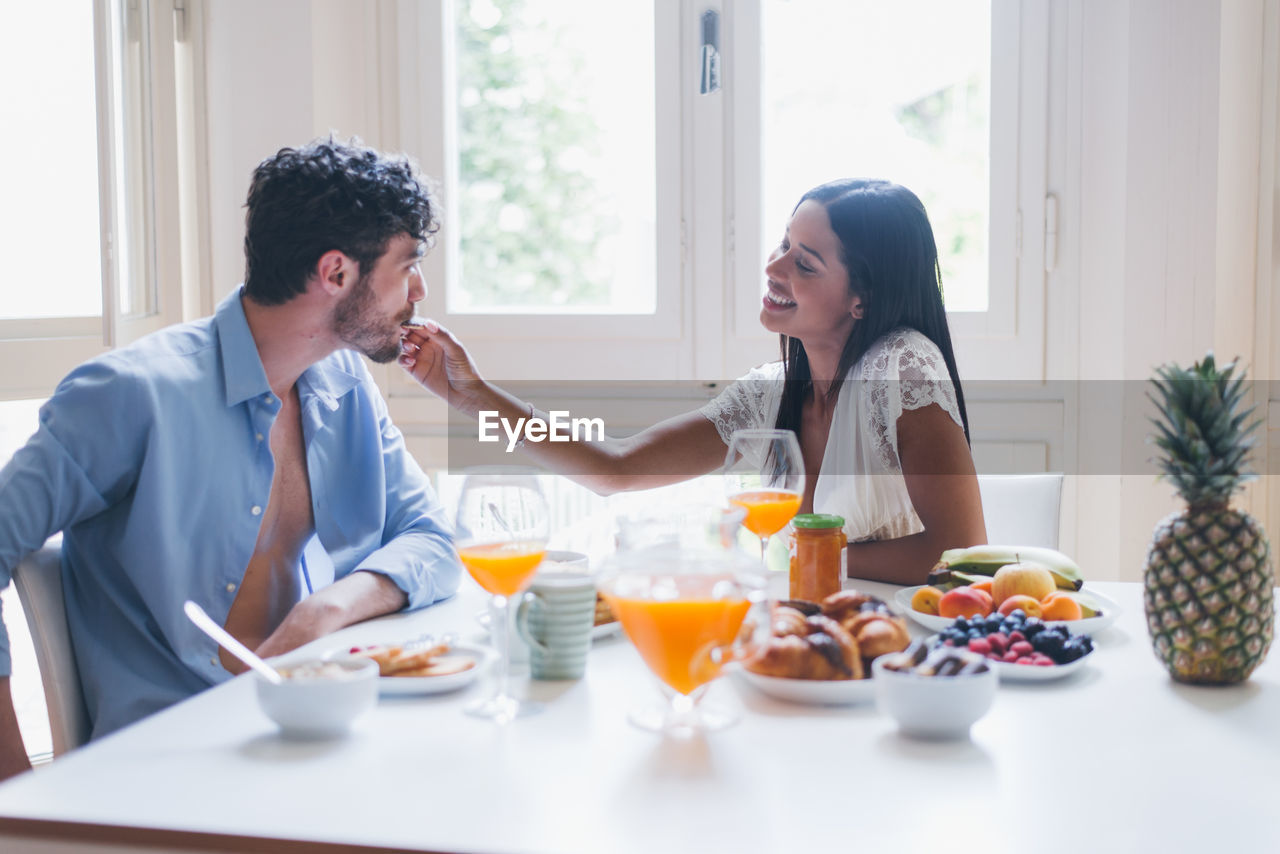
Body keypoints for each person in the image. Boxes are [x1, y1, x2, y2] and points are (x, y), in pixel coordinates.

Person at [0, 138, 461, 781]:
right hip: (173, 769)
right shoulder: (132, 396)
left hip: (314, 739)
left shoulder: (346, 387)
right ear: (335, 273)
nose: (420, 288)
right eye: (407, 264)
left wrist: (325, 610)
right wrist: (12, 781)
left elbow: (435, 540)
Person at [400, 178, 985, 581]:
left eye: (804, 263)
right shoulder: (772, 393)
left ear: (863, 298)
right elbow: (619, 469)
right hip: (804, 627)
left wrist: (797, 557)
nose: (774, 267)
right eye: (784, 244)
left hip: (901, 650)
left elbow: (958, 552)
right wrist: (470, 396)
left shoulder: (902, 369)